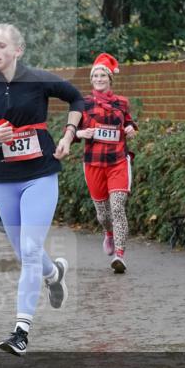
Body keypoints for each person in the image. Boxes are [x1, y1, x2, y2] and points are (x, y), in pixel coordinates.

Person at [0, 23, 84, 356]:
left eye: (2, 46)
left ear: (18, 50)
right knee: (25, 254)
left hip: (40, 175)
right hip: (4, 179)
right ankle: (54, 272)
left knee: (30, 250)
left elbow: (77, 98)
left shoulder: (38, 79)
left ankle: (21, 332)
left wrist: (68, 135)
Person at [74, 53, 137, 274]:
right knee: (103, 214)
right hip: (94, 163)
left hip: (118, 160)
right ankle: (108, 233)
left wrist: (130, 129)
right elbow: (70, 132)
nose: (99, 78)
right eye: (96, 75)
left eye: (103, 75)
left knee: (117, 207)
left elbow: (129, 124)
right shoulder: (82, 103)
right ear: (91, 80)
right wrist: (82, 132)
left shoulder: (122, 102)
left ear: (110, 79)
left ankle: (119, 255)